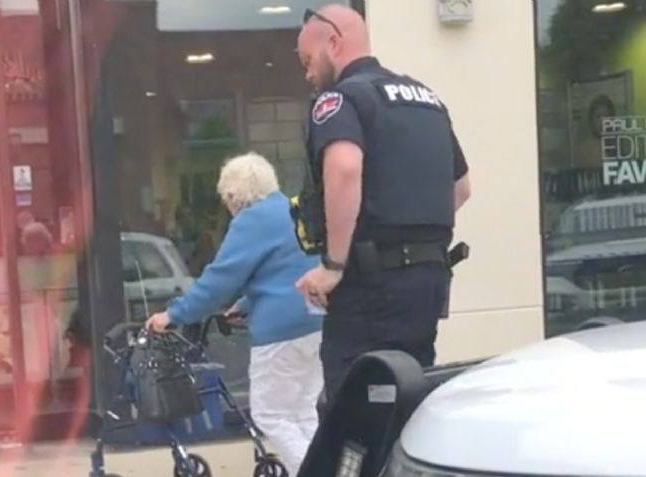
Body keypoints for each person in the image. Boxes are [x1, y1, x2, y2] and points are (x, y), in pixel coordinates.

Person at [293, 4, 472, 404]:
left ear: (334, 43)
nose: (307, 74)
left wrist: (333, 266)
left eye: (307, 61)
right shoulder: (426, 99)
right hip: (428, 283)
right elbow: (460, 187)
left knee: (353, 414)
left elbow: (343, 169)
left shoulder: (342, 99)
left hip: (369, 287)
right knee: (408, 399)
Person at [145, 152, 324, 475]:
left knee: (271, 414)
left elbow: (220, 279)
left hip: (280, 333)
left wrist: (173, 315)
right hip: (315, 322)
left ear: (232, 195)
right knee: (302, 412)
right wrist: (246, 305)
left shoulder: (251, 219)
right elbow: (287, 269)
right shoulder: (291, 209)